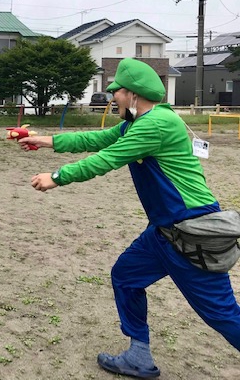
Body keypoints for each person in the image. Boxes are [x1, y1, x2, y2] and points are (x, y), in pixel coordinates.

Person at [18, 58, 240, 378]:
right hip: (163, 232)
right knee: (125, 277)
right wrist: (44, 140)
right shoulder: (136, 123)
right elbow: (96, 140)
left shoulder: (156, 125)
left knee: (221, 314)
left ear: (133, 95)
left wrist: (56, 177)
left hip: (190, 231)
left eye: (116, 93)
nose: (113, 98)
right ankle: (139, 356)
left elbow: (108, 158)